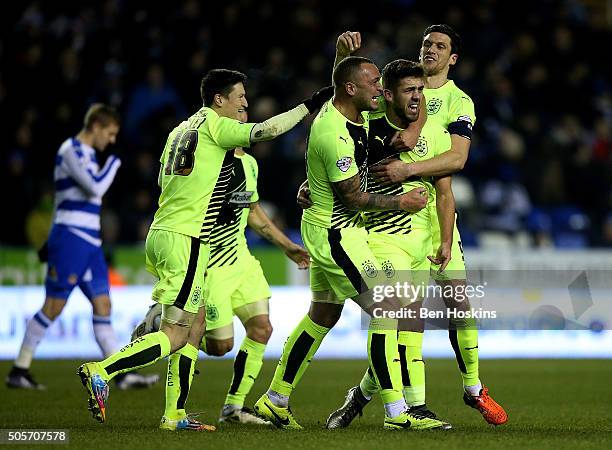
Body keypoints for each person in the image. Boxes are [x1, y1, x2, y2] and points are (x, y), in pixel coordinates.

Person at [76, 69, 334, 431]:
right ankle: (102, 371)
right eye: (240, 97)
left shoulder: (180, 130)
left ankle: (174, 414)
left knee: (193, 324)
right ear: (219, 100)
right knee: (176, 334)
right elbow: (266, 131)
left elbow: (167, 181)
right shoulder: (216, 126)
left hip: (163, 230)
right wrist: (309, 105)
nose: (245, 103)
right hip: (189, 239)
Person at [324, 26, 508, 427]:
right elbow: (341, 113)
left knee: (460, 305)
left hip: (438, 217)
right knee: (406, 316)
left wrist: (407, 168)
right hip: (390, 223)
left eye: (440, 46)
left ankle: (473, 388)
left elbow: (456, 161)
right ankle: (407, 404)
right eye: (426, 43)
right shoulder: (393, 93)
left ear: (452, 58)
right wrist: (319, 178)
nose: (431, 50)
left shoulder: (458, 102)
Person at [253, 56, 447, 431]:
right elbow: (354, 197)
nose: (379, 89)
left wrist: (314, 181)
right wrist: (400, 201)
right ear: (352, 89)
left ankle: (275, 399)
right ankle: (396, 415)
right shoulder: (334, 134)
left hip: (332, 227)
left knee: (323, 315)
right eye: (373, 82)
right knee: (388, 308)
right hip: (335, 234)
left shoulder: (355, 118)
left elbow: (344, 87)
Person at [132, 113, 311, 425]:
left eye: (245, 109)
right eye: (237, 109)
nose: (243, 114)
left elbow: (252, 211)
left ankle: (233, 408)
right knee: (220, 346)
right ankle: (166, 318)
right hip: (209, 263)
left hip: (240, 259)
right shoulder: (210, 160)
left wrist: (287, 246)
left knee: (262, 328)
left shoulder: (250, 165)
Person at [6, 104, 158, 391]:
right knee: (54, 306)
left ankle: (120, 373)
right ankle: (19, 370)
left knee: (103, 305)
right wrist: (115, 162)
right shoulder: (70, 151)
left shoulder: (86, 154)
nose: (111, 140)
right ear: (96, 127)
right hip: (71, 238)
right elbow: (96, 188)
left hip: (89, 242)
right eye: (110, 134)